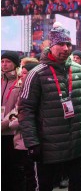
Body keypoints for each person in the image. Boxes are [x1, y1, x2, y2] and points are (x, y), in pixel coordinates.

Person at [19, 23, 81, 191]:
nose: (66, 48)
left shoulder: (78, 71)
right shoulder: (36, 74)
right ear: (51, 45)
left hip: (77, 144)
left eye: (68, 44)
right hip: (48, 147)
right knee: (46, 186)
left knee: (77, 184)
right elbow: (26, 110)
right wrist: (32, 142)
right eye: (61, 44)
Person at [8, 62, 39, 191]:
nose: (21, 75)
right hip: (19, 139)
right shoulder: (20, 88)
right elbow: (15, 111)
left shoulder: (35, 91)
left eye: (25, 72)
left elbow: (25, 115)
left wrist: (13, 122)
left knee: (33, 176)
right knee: (25, 174)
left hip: (31, 140)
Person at [1, 51, 21, 190]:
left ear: (15, 64)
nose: (4, 64)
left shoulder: (20, 82)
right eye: (2, 61)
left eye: (8, 61)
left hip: (11, 132)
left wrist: (3, 124)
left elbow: (18, 108)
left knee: (12, 168)